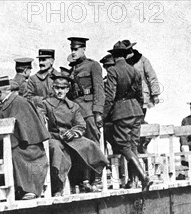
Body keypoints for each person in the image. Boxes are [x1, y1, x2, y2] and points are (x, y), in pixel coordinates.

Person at [38, 70, 108, 195]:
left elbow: (81, 124)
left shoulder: (73, 106)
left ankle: (91, 180)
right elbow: (40, 119)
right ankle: (58, 187)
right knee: (56, 149)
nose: (60, 91)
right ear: (52, 88)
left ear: (68, 89)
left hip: (70, 137)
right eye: (57, 88)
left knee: (89, 145)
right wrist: (43, 117)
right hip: (53, 136)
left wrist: (73, 133)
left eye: (63, 88)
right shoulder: (45, 104)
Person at [0, 77, 50, 200]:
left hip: (28, 146)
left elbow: (25, 130)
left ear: (0, 92)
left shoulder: (19, 103)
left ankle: (29, 189)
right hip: (11, 143)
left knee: (15, 155)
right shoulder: (6, 104)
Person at [103, 41, 152, 190]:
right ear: (125, 54)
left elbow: (110, 96)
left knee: (123, 145)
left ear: (114, 55)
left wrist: (104, 115)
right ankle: (132, 180)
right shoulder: (134, 71)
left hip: (121, 112)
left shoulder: (113, 71)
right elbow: (140, 95)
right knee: (133, 145)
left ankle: (143, 177)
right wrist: (139, 113)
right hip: (136, 111)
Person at [122, 40, 161, 154]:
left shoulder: (143, 60)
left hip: (142, 97)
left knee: (139, 122)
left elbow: (152, 76)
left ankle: (141, 146)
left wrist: (155, 94)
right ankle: (136, 147)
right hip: (129, 98)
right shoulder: (123, 62)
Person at [67, 37, 105, 144]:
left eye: (76, 49)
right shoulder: (72, 69)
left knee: (93, 142)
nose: (73, 52)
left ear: (83, 49)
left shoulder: (93, 65)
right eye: (72, 50)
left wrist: (98, 113)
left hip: (89, 111)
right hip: (76, 111)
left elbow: (99, 89)